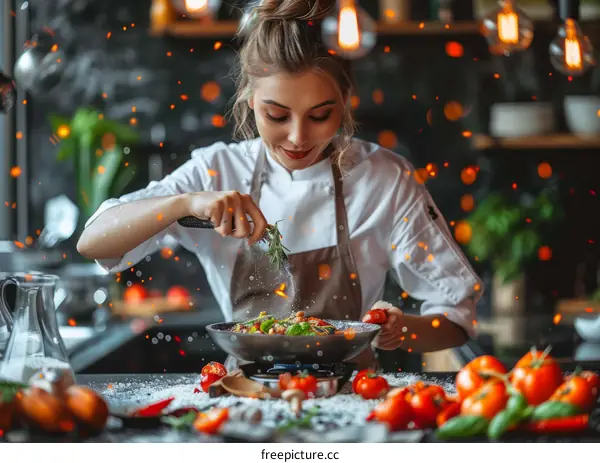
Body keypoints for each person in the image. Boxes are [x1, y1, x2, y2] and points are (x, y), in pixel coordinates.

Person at [77, 0, 483, 371]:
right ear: (251, 100)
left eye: (320, 115)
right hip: (242, 398)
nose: (298, 137)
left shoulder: (384, 178)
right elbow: (94, 242)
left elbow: (457, 317)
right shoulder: (216, 170)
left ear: (345, 101)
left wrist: (403, 329)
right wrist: (186, 202)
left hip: (355, 396)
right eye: (277, 115)